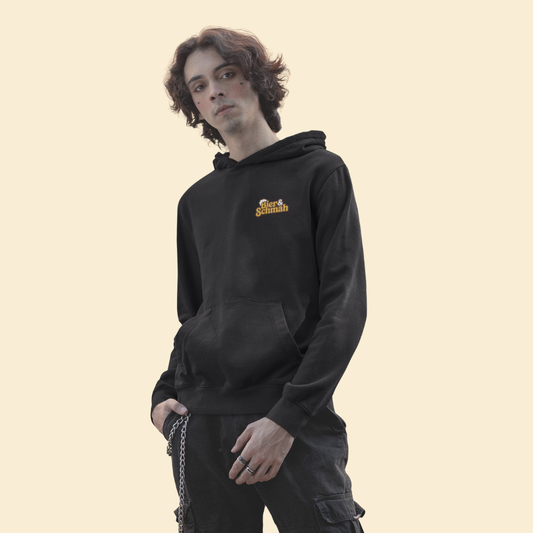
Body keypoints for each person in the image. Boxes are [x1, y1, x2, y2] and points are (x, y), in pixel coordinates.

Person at [150, 26, 368, 533]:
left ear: (257, 79)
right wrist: (162, 398)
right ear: (193, 104)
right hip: (201, 427)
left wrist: (288, 417)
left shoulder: (319, 173)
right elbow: (193, 317)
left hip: (291, 422)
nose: (215, 92)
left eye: (226, 75)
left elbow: (344, 309)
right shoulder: (195, 203)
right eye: (199, 86)